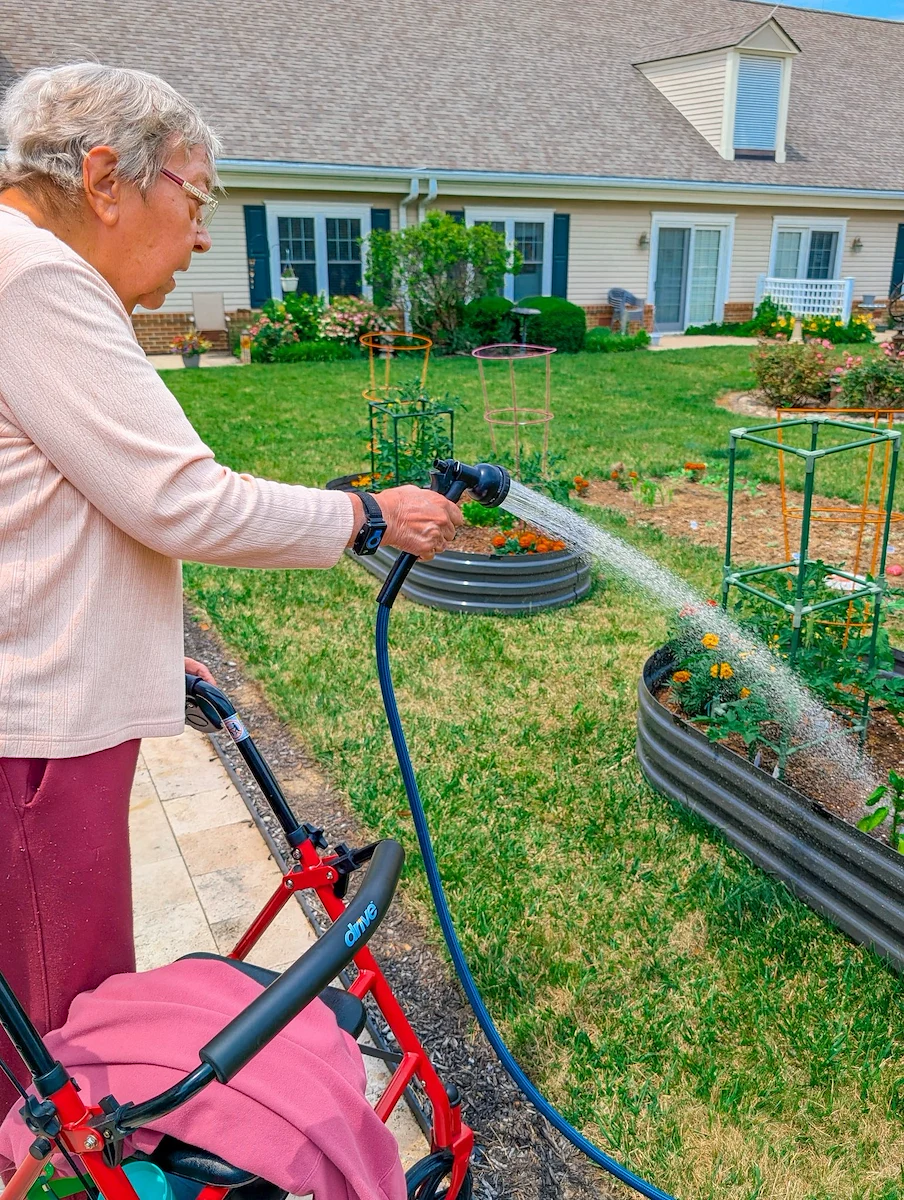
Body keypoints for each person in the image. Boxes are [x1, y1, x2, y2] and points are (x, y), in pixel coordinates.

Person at [0, 62, 462, 1111]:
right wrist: (366, 515)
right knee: (60, 1049)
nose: (203, 235)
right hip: (32, 735)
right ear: (107, 174)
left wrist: (137, 645)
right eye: (196, 198)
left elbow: (44, 514)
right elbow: (180, 501)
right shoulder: (35, 278)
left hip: (37, 706)